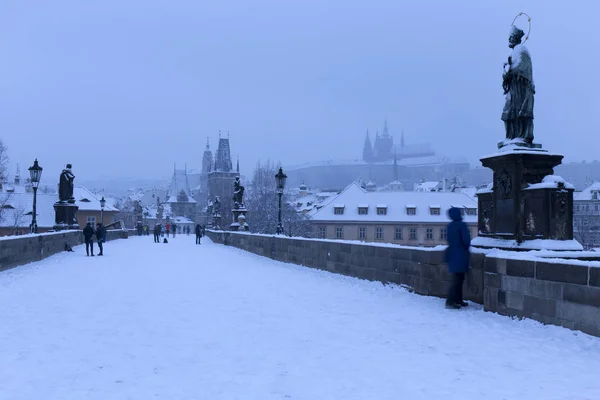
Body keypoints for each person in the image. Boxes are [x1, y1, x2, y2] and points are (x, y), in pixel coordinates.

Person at [445, 207, 471, 309]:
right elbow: (466, 240)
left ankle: (458, 300)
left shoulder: (450, 226)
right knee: (458, 280)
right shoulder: (462, 225)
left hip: (452, 254)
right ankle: (450, 301)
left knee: (457, 278)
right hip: (461, 255)